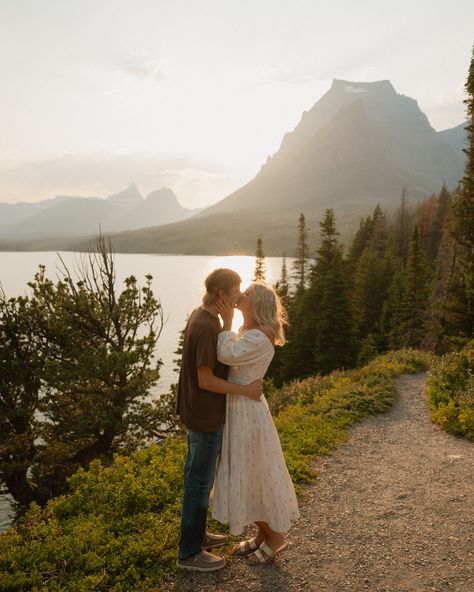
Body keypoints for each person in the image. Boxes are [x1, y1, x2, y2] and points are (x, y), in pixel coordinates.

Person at [176, 268, 263, 572]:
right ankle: (189, 553)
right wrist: (245, 390)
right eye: (236, 292)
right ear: (222, 295)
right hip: (205, 416)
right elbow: (206, 380)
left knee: (197, 478)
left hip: (200, 413)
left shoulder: (205, 318)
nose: (240, 296)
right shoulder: (207, 326)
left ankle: (197, 536)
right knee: (199, 484)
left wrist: (227, 323)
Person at [211, 281, 299, 564]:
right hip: (241, 408)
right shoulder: (249, 332)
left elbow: (226, 354)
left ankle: (275, 538)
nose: (240, 296)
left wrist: (225, 322)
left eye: (246, 294)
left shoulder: (261, 336)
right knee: (249, 473)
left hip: (248, 414)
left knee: (253, 473)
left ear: (257, 303)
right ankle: (262, 535)